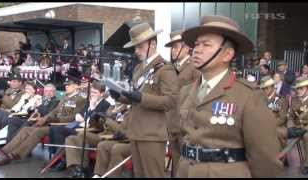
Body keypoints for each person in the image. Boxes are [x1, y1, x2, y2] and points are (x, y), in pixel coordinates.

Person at [176, 15, 283, 178]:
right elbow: (180, 137)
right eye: (196, 44)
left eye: (206, 44)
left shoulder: (248, 95)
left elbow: (265, 156)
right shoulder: (186, 91)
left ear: (227, 55)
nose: (197, 49)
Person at [110, 22, 179, 177]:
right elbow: (135, 98)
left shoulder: (165, 69)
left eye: (140, 47)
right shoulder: (139, 68)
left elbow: (171, 101)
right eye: (135, 47)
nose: (136, 51)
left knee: (153, 175)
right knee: (139, 174)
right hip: (136, 131)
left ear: (153, 44)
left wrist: (141, 97)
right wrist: (119, 96)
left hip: (152, 134)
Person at [0, 77, 86, 166]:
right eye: (66, 85)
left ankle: (13, 156)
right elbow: (55, 111)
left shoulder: (80, 99)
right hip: (51, 122)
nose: (66, 87)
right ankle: (3, 151)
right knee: (26, 129)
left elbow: (72, 117)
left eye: (69, 85)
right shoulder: (65, 97)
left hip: (61, 125)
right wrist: (46, 118)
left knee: (36, 130)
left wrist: (53, 119)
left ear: (76, 86)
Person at [164, 30, 200, 176]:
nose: (173, 51)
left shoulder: (194, 67)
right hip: (171, 122)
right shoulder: (171, 68)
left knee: (185, 164)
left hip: (185, 124)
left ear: (186, 48)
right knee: (176, 162)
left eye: (176, 47)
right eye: (172, 47)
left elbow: (197, 95)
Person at [259, 76, 288, 148]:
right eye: (262, 89)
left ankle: (281, 155)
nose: (264, 90)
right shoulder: (260, 99)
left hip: (277, 126)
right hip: (262, 125)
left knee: (276, 132)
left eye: (266, 88)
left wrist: (269, 124)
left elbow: (282, 118)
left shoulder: (281, 100)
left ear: (272, 87)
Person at [288, 77, 308, 175]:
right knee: (282, 132)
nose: (298, 90)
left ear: (307, 88)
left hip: (306, 128)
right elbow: (291, 116)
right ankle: (282, 159)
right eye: (297, 88)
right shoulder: (294, 100)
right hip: (296, 127)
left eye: (301, 88)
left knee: (307, 136)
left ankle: (307, 164)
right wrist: (290, 126)